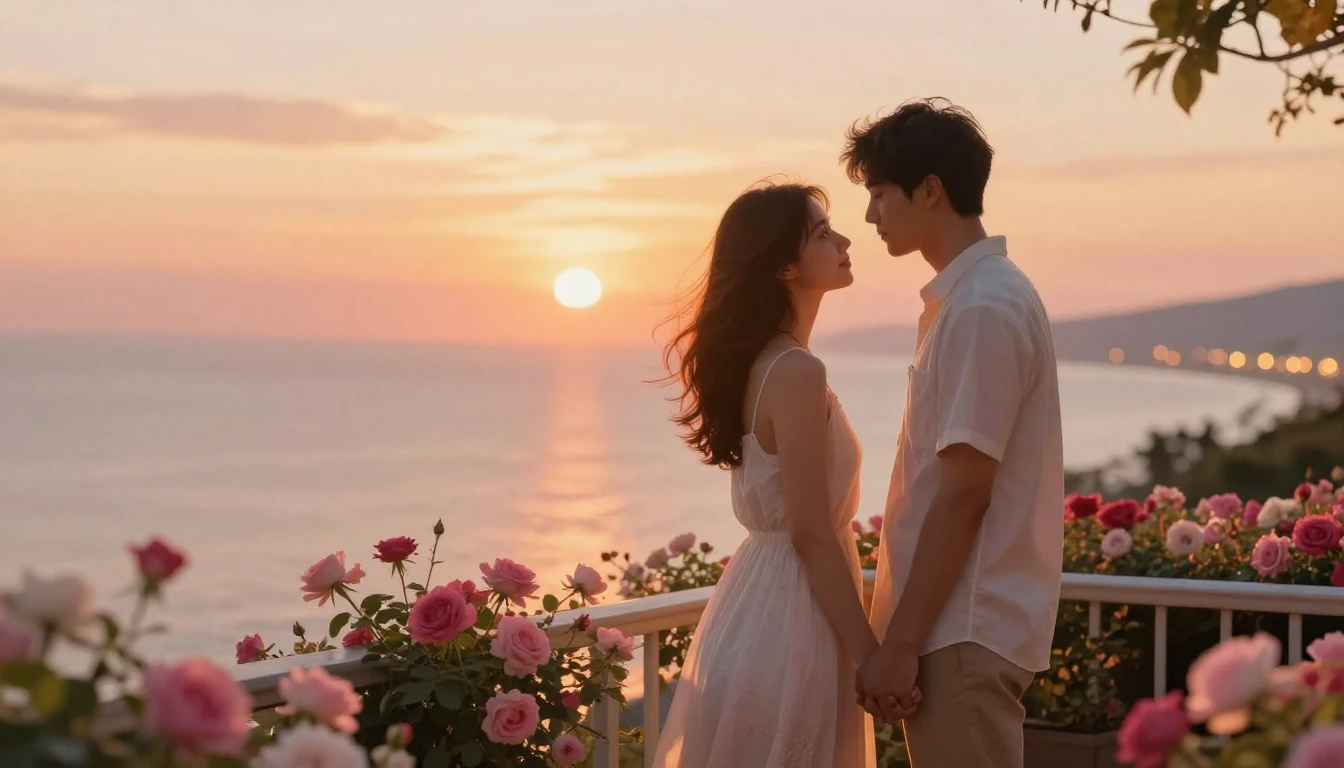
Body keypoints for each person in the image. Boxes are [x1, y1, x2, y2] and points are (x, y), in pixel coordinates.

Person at [845, 98, 1064, 768]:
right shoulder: (974, 299)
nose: (870, 215)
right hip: (957, 628)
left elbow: (966, 489)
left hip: (961, 630)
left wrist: (903, 643)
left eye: (880, 193)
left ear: (930, 190)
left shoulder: (981, 308)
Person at [651, 181, 892, 768]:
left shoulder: (768, 363)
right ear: (784, 265)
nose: (844, 238)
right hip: (793, 617)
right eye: (821, 234)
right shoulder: (795, 370)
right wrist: (870, 654)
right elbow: (811, 532)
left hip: (761, 603)